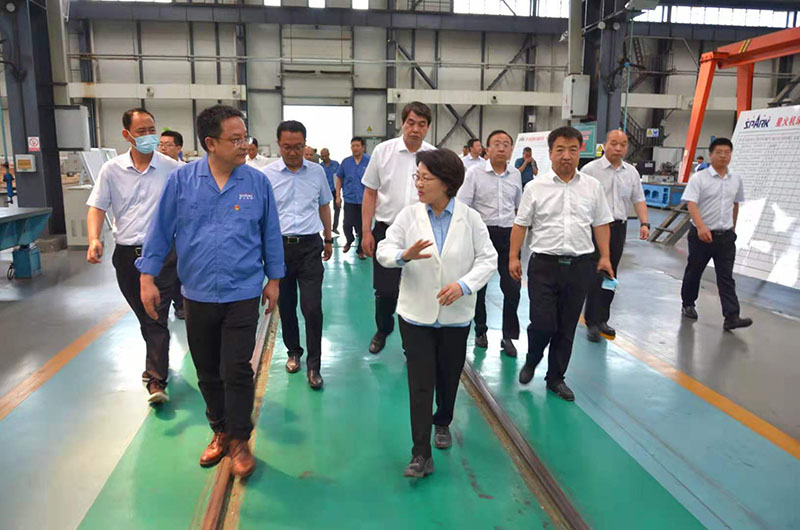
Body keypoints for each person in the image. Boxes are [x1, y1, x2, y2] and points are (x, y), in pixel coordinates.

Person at [137, 104, 284, 478]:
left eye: (245, 138)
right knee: (206, 369)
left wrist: (274, 279)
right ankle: (219, 430)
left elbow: (270, 233)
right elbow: (160, 231)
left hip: (242, 292)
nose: (244, 145)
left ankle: (239, 440)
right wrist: (147, 277)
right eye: (235, 139)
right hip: (198, 293)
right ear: (210, 143)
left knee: (236, 369)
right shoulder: (182, 182)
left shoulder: (257, 183)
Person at [376, 149, 497, 478]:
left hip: (456, 315)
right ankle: (420, 453)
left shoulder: (470, 219)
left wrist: (464, 285)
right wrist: (403, 255)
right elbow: (385, 249)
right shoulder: (409, 216)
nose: (418, 183)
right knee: (420, 383)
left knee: (448, 376)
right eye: (417, 176)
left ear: (447, 183)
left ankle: (442, 420)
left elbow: (488, 259)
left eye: (425, 178)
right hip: (415, 314)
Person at [509, 126, 614, 402]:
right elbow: (520, 225)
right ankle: (533, 358)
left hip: (580, 267)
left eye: (572, 150)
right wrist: (513, 257)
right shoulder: (535, 187)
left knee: (566, 327)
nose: (566, 155)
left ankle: (555, 378)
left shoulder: (592, 187)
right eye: (560, 149)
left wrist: (605, 256)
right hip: (544, 266)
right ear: (550, 153)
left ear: (580, 152)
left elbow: (601, 223)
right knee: (543, 323)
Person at [86, 108, 181, 405]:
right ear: (127, 135)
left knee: (155, 313)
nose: (149, 136)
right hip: (126, 254)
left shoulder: (173, 169)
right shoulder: (111, 170)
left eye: (152, 129)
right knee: (144, 315)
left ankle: (156, 378)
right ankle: (156, 360)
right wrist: (93, 239)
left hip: (162, 254)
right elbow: (97, 206)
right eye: (142, 131)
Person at [361, 101, 435, 354]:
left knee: (419, 288)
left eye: (422, 124)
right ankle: (383, 330)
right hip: (387, 231)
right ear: (402, 123)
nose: (415, 129)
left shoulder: (433, 156)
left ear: (427, 128)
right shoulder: (383, 151)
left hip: (422, 232)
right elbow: (370, 192)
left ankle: (412, 342)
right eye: (411, 123)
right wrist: (366, 231)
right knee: (385, 290)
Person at [264, 121, 333, 390]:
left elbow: (324, 205)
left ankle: (314, 365)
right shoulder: (268, 175)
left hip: (310, 247)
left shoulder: (316, 172)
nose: (293, 152)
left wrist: (328, 238)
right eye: (287, 147)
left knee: (312, 307)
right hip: (279, 248)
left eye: (298, 147)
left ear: (305, 145)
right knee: (287, 305)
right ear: (279, 145)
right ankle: (294, 351)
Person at [456, 130, 522, 356]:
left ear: (511, 149)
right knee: (479, 287)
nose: (501, 148)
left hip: (509, 236)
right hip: (483, 235)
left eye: (506, 144)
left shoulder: (515, 175)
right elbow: (463, 206)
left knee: (512, 288)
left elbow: (519, 208)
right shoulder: (474, 173)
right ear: (487, 149)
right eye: (496, 144)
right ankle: (480, 330)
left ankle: (508, 336)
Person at [581, 130, 650, 342]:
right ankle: (592, 321)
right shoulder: (590, 170)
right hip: (594, 228)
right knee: (595, 273)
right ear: (605, 145)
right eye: (614, 143)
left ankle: (602, 318)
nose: (618, 148)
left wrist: (644, 222)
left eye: (623, 144)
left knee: (611, 274)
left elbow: (638, 199)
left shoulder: (631, 172)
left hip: (618, 228)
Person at [680, 138, 752, 331]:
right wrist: (701, 227)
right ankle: (688, 303)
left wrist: (733, 228)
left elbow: (735, 204)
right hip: (701, 236)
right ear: (711, 154)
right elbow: (691, 204)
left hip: (725, 237)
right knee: (694, 271)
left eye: (727, 152)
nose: (723, 156)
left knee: (726, 276)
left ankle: (732, 316)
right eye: (719, 152)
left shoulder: (735, 179)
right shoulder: (699, 178)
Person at [159, 130, 187, 320]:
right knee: (162, 274)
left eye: (168, 145)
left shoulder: (187, 172)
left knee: (179, 272)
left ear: (178, 148)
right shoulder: (155, 170)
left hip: (181, 231)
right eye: (161, 144)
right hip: (163, 232)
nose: (163, 148)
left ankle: (181, 305)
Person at [335, 137, 370, 258]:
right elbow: (339, 179)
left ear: (363, 147)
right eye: (353, 146)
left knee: (362, 226)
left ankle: (360, 250)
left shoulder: (369, 161)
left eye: (357, 146)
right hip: (350, 199)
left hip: (365, 199)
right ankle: (349, 239)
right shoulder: (346, 162)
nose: (355, 148)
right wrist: (338, 196)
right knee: (347, 224)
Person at [320, 148, 341, 235]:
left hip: (335, 189)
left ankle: (335, 227)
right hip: (325, 190)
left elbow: (339, 177)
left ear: (329, 154)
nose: (324, 157)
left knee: (337, 208)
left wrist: (339, 192)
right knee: (324, 209)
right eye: (323, 156)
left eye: (326, 155)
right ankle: (325, 228)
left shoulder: (335, 164)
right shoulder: (320, 167)